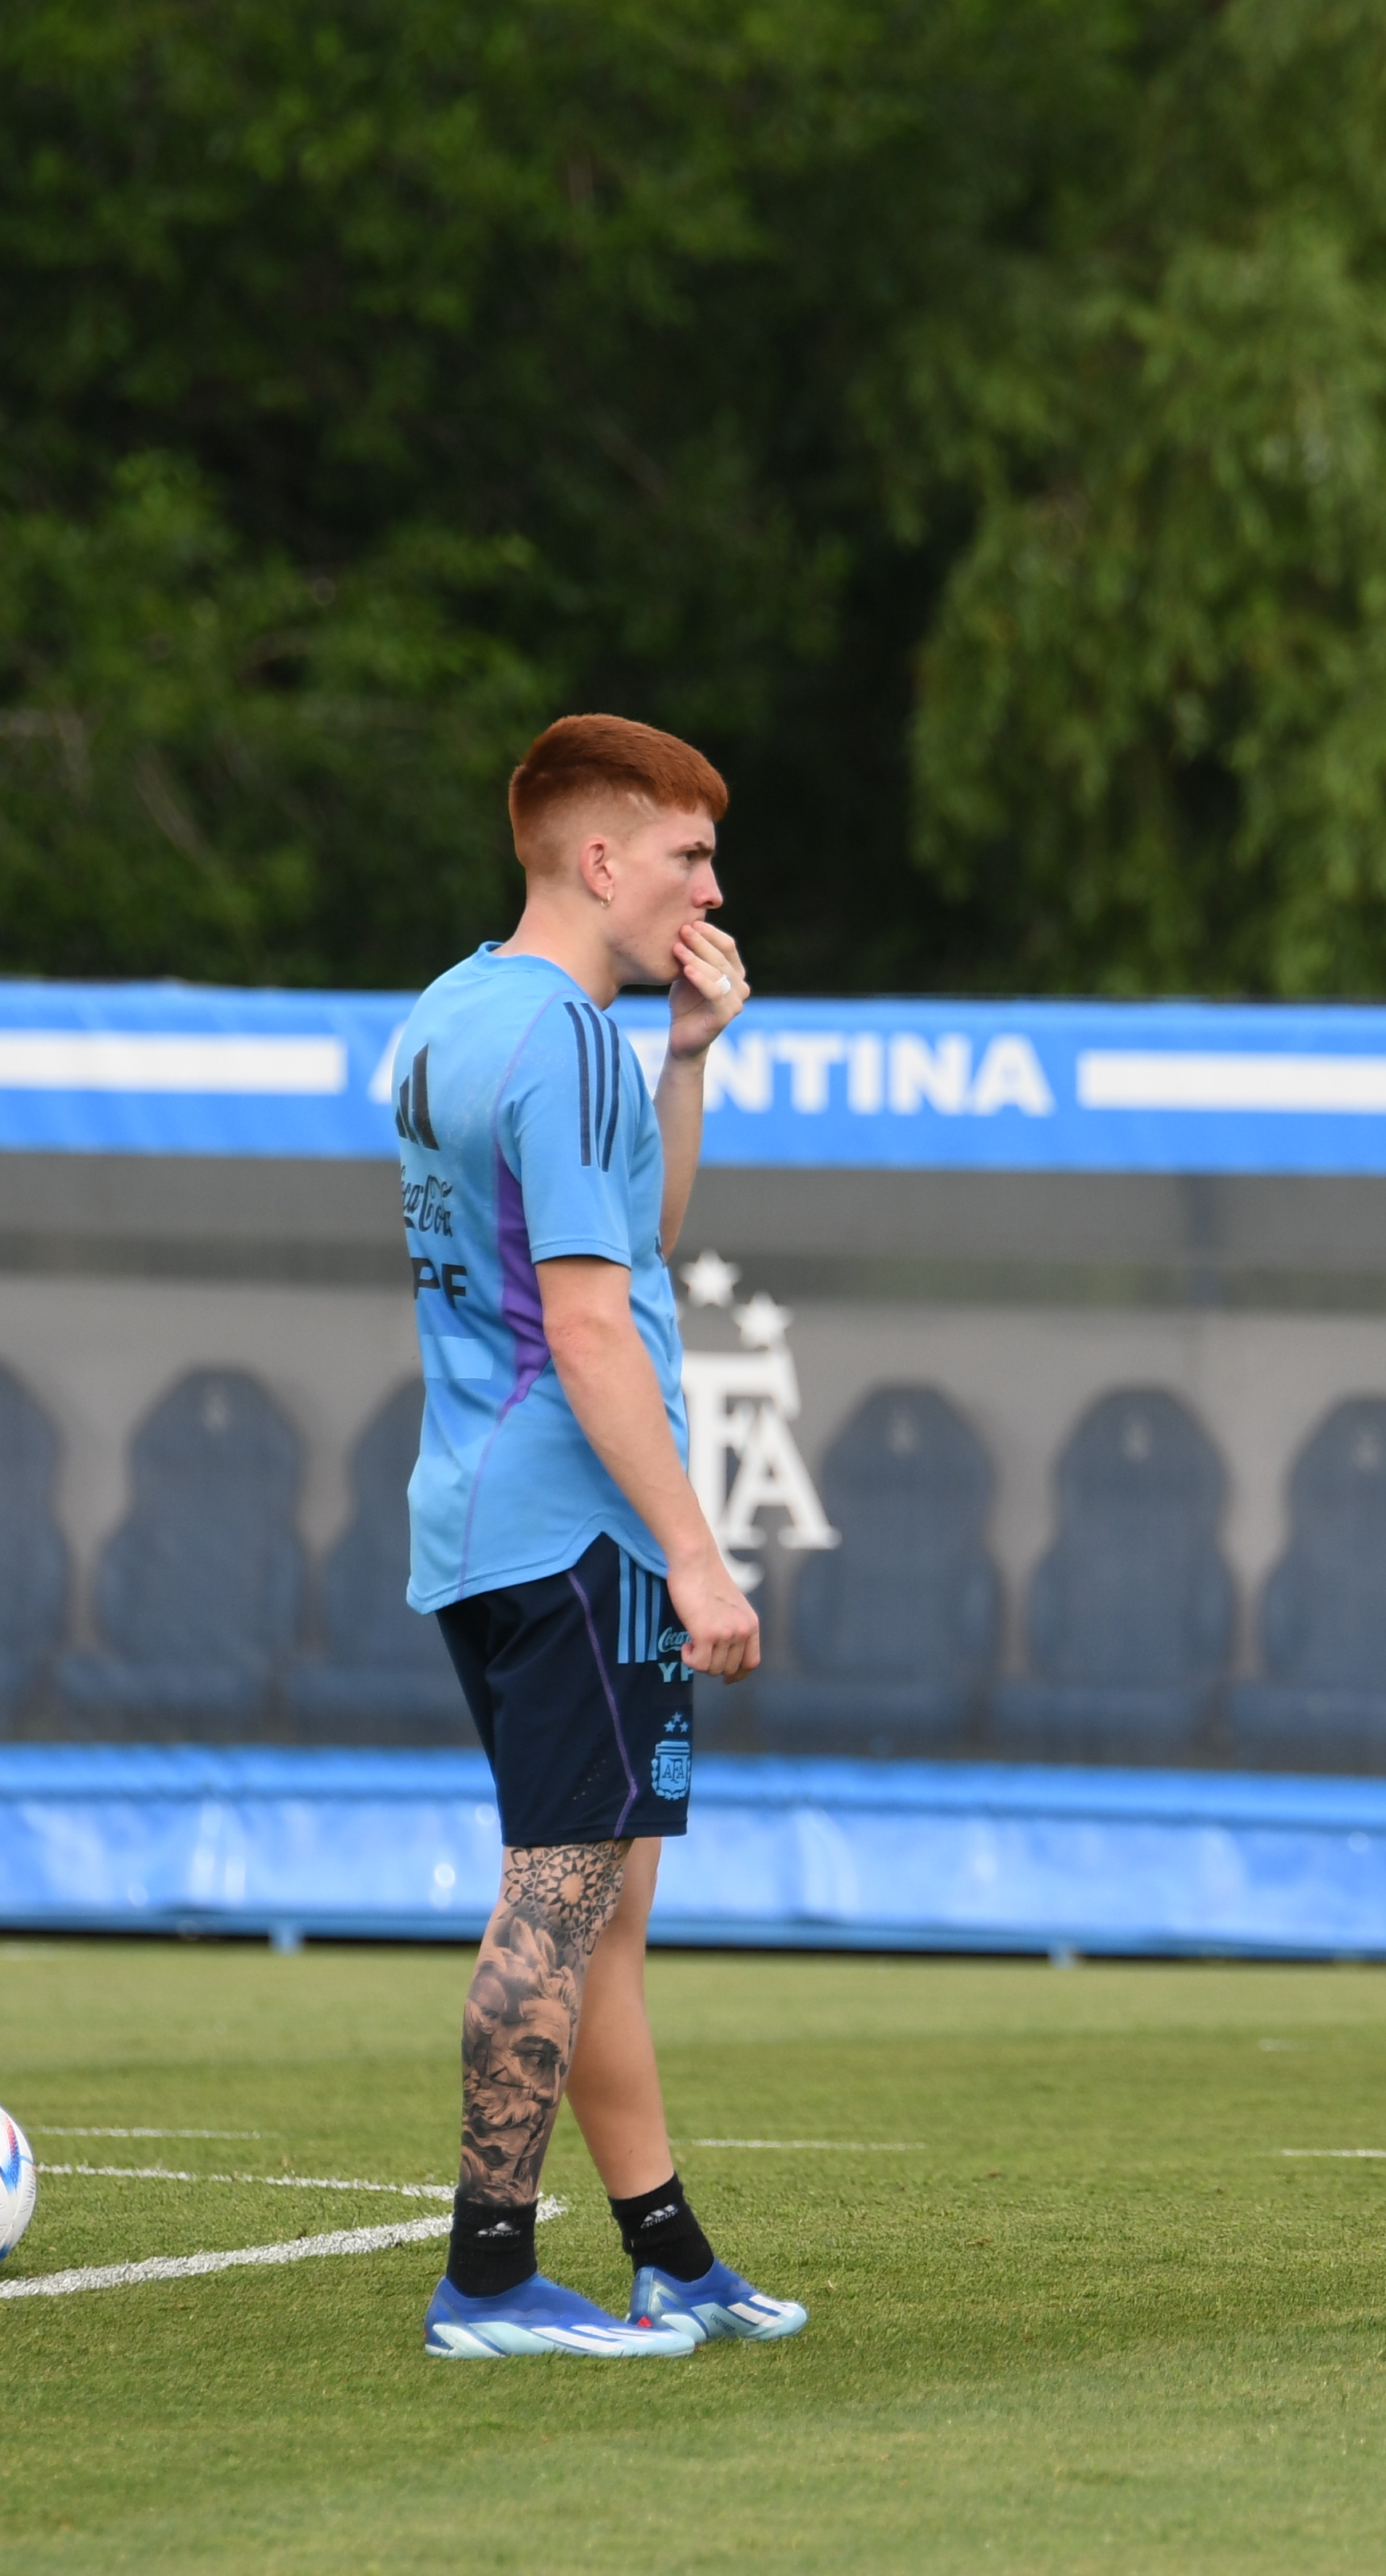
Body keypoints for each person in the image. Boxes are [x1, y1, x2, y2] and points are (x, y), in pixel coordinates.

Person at [388, 713, 809, 2358]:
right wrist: (692, 1550)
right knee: (559, 1891)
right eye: (692, 853)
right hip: (570, 1527)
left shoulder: (458, 1012)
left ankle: (671, 2251)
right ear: (601, 856)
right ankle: (487, 2274)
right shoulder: (557, 1036)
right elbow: (591, 1325)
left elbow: (637, 1246)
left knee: (604, 1902)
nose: (710, 886)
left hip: (483, 1511)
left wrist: (694, 1052)